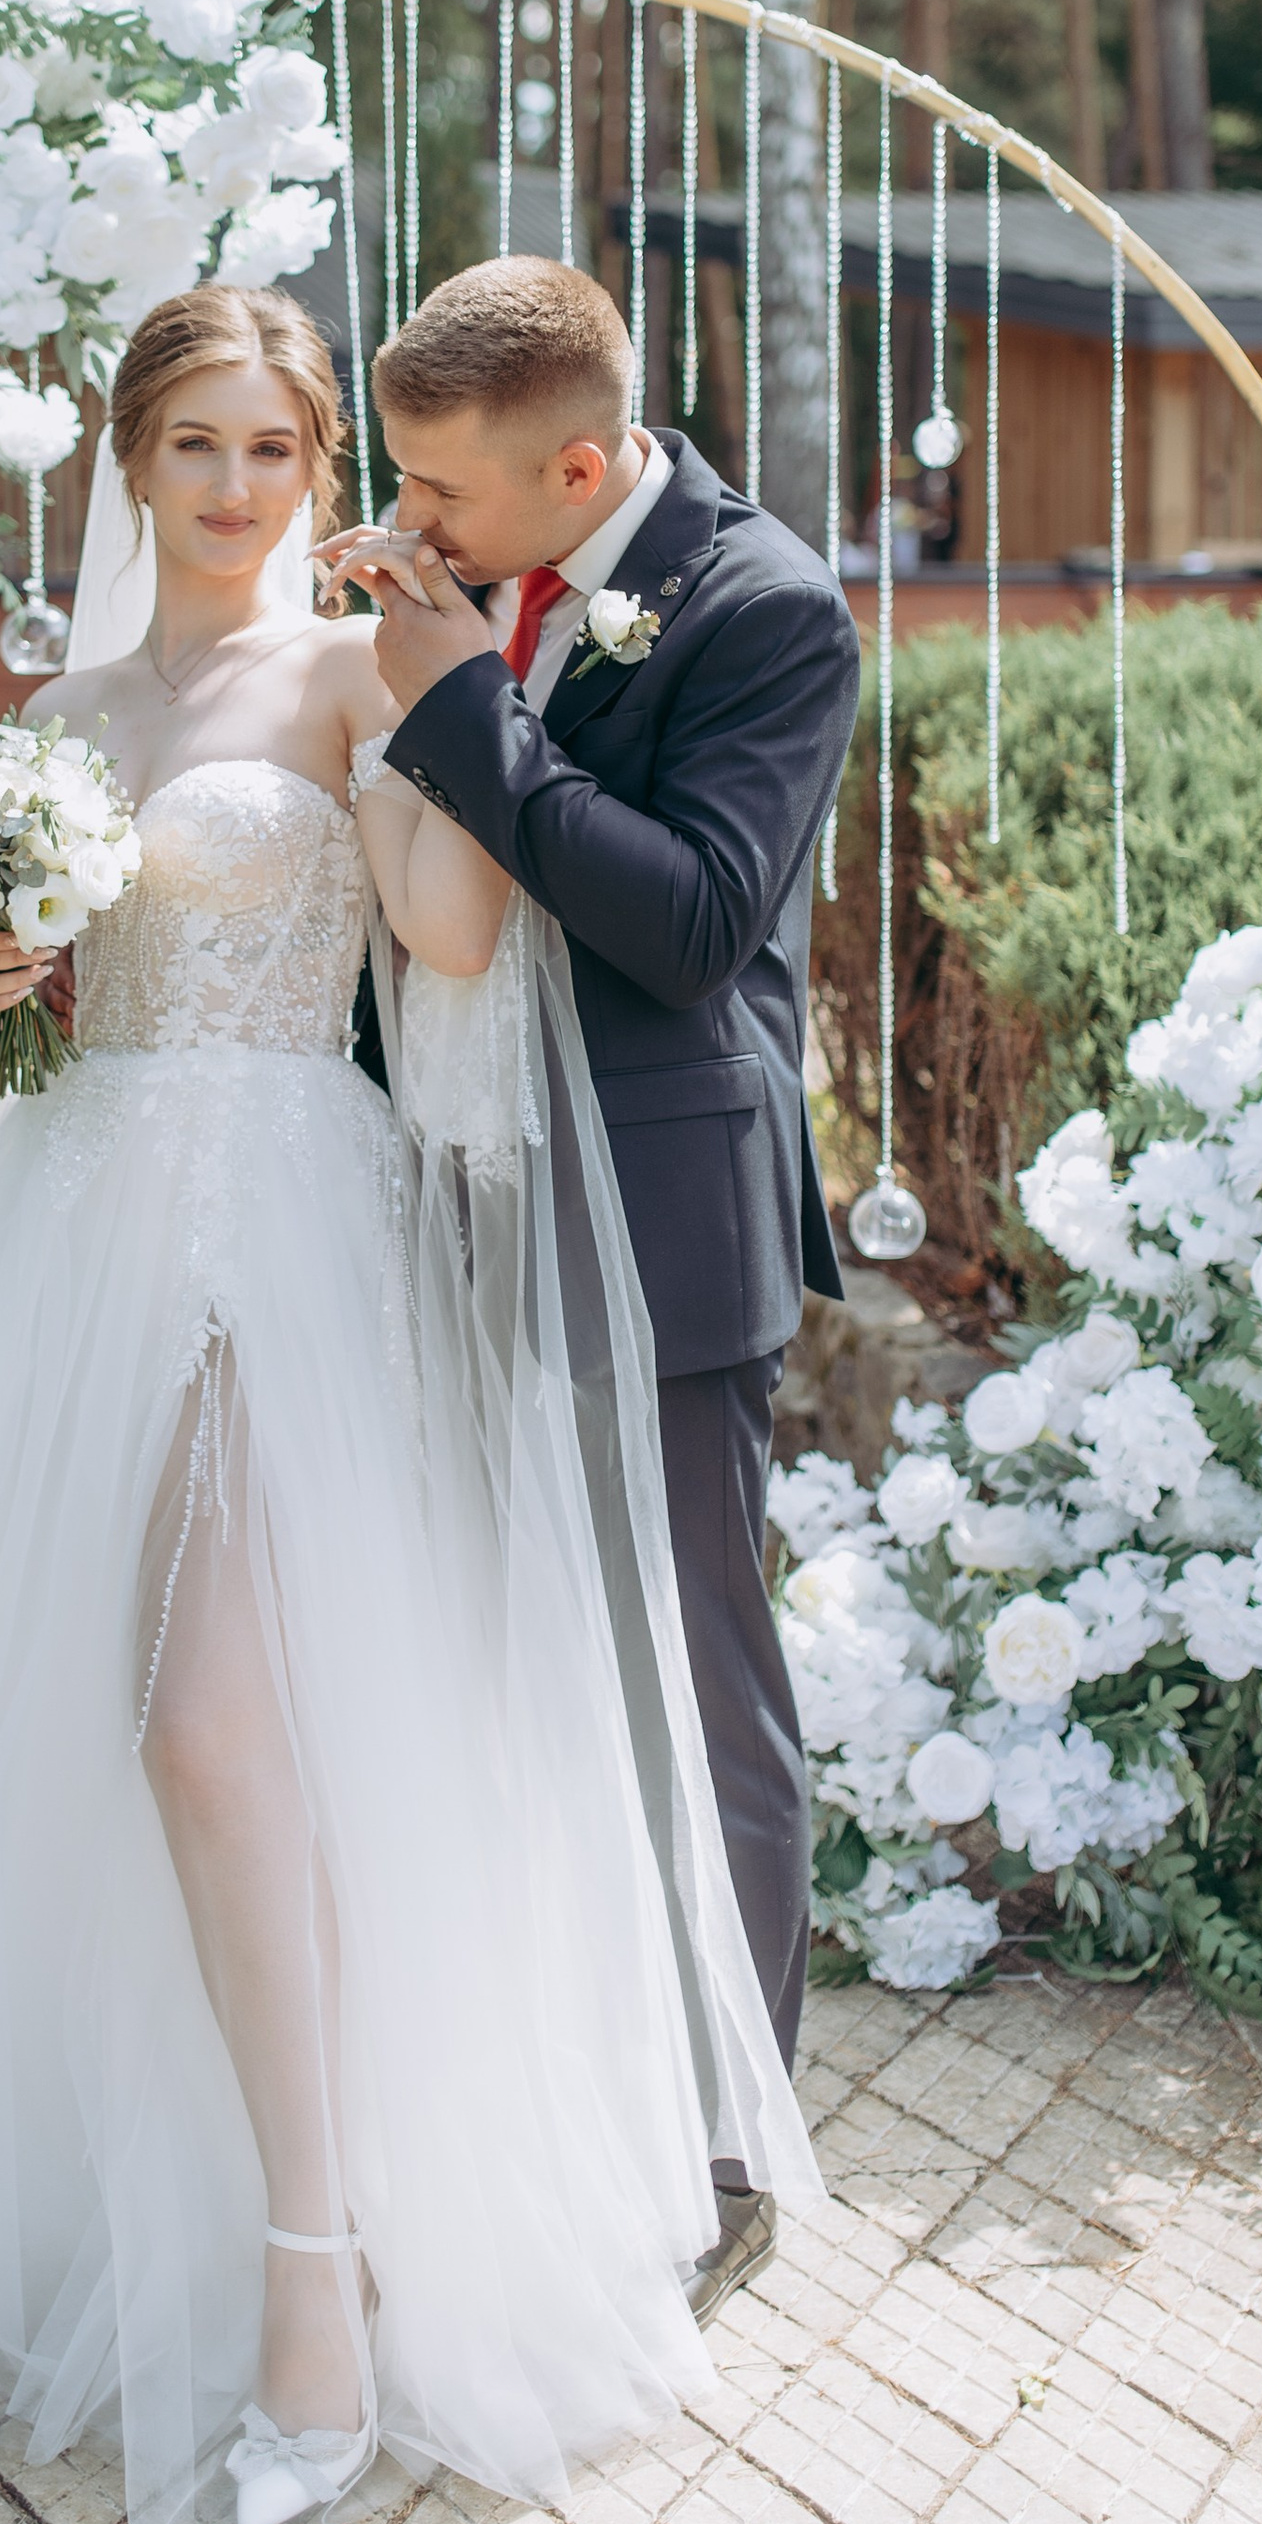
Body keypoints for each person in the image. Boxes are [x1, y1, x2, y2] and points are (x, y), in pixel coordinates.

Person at [0, 285, 813, 2524]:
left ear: (315, 471)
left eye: (270, 451)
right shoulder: (63, 707)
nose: (232, 490)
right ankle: (102, 2197)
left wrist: (439, 717)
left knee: (208, 1724)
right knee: (59, 1737)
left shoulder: (351, 668)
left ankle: (312, 2263)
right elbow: (10, 1017)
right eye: (191, 447)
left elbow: (447, 945)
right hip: (73, 1229)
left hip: (276, 1219)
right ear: (127, 461)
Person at [317, 257, 862, 2322]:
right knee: (463, 1658)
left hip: (652, 1219)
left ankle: (723, 2137)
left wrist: (455, 700)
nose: (411, 524)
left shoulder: (760, 610)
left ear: (575, 465)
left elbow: (687, 923)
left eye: (443, 493)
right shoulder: (443, 582)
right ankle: (508, 2079)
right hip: (423, 1191)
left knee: (686, 1690)